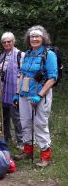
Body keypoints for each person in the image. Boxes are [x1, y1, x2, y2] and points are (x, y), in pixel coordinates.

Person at [13, 26, 57, 167]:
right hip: (24, 94)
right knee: (25, 122)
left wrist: (39, 95)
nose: (34, 39)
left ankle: (45, 156)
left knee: (40, 124)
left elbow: (52, 78)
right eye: (32, 36)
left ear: (43, 38)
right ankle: (28, 151)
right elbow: (23, 74)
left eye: (37, 36)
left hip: (40, 95)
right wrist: (17, 93)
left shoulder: (49, 55)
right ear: (28, 39)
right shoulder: (28, 54)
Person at [0, 32, 24, 148]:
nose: (6, 43)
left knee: (16, 117)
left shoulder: (20, 55)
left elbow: (24, 75)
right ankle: (7, 137)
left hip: (15, 92)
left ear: (13, 42)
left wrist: (19, 91)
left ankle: (21, 142)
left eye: (9, 41)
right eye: (4, 42)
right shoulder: (2, 56)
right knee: (4, 116)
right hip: (3, 92)